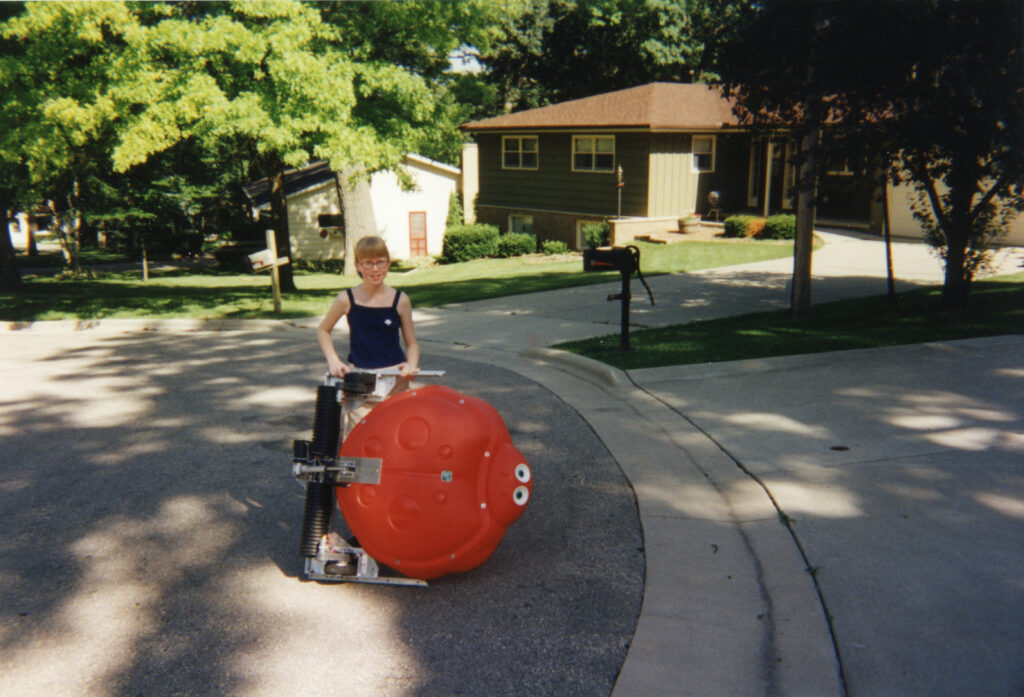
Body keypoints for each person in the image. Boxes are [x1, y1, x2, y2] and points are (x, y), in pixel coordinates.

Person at [317, 236, 420, 430]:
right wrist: (333, 361)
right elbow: (323, 330)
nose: (375, 269)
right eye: (368, 263)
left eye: (380, 262)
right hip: (360, 383)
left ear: (388, 264)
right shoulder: (346, 299)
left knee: (396, 439)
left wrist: (411, 367)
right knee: (361, 442)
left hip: (395, 381)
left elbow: (411, 343)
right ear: (357, 265)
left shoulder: (400, 300)